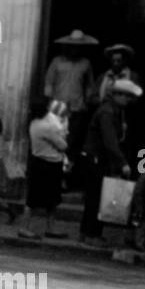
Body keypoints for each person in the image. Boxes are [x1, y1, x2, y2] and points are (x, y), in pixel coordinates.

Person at [79, 78, 142, 247]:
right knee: (96, 196)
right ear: (118, 95)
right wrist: (122, 163)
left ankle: (86, 233)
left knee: (95, 196)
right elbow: (110, 141)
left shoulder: (115, 110)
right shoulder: (107, 112)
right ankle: (91, 234)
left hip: (97, 158)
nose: (129, 101)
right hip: (96, 157)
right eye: (127, 97)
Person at [44, 30, 98, 181]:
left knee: (72, 144)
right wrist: (48, 104)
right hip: (57, 109)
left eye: (78, 46)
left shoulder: (85, 64)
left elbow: (89, 86)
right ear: (67, 45)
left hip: (77, 108)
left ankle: (65, 178)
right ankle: (53, 177)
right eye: (72, 45)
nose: (75, 49)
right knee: (55, 142)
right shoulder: (57, 62)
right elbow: (48, 83)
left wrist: (87, 101)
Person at [19, 98, 71, 240]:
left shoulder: (34, 124)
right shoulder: (46, 127)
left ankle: (31, 227)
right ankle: (39, 228)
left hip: (39, 163)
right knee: (47, 199)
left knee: (39, 198)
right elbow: (62, 145)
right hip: (49, 164)